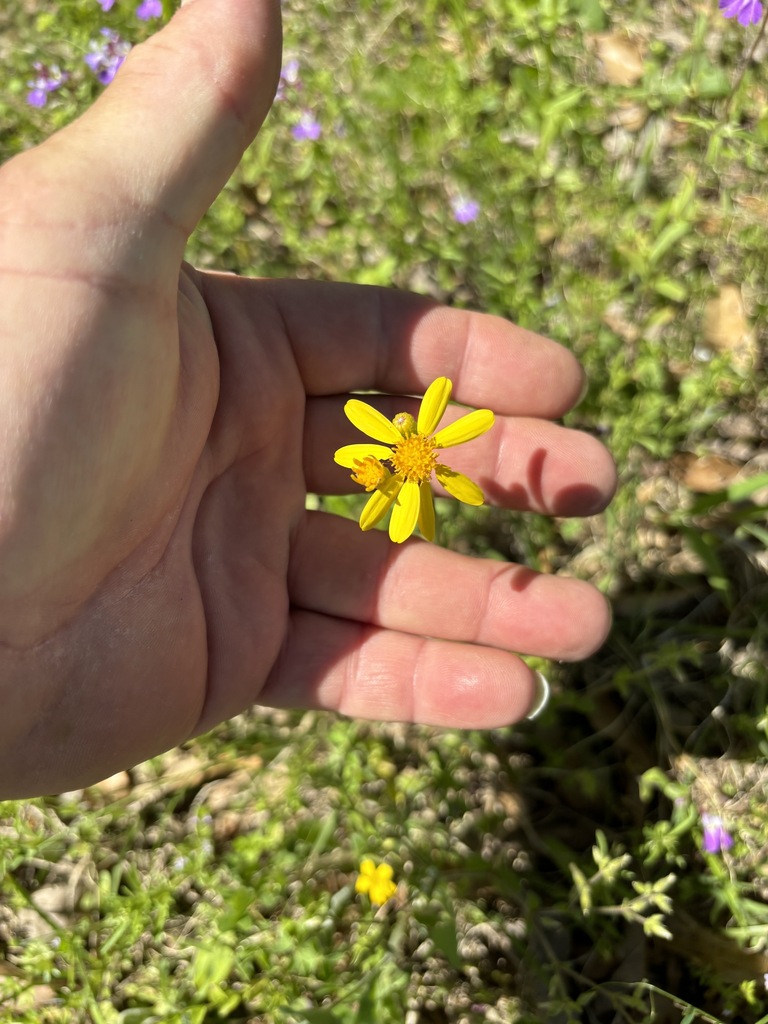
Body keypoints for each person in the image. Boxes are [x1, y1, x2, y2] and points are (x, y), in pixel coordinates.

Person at [0, 0, 615, 800]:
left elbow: (411, 477)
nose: (418, 463)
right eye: (413, 461)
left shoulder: (414, 467)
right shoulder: (398, 460)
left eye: (417, 460)